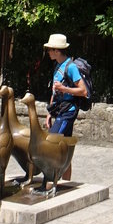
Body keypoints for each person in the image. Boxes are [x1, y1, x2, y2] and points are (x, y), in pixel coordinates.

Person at [43, 33, 87, 182]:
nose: (48, 52)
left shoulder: (71, 67)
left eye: (50, 49)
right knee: (65, 148)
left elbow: (83, 91)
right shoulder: (58, 66)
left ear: (57, 50)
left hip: (68, 112)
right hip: (59, 110)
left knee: (52, 144)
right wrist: (49, 113)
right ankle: (66, 183)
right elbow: (55, 91)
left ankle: (51, 182)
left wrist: (64, 89)